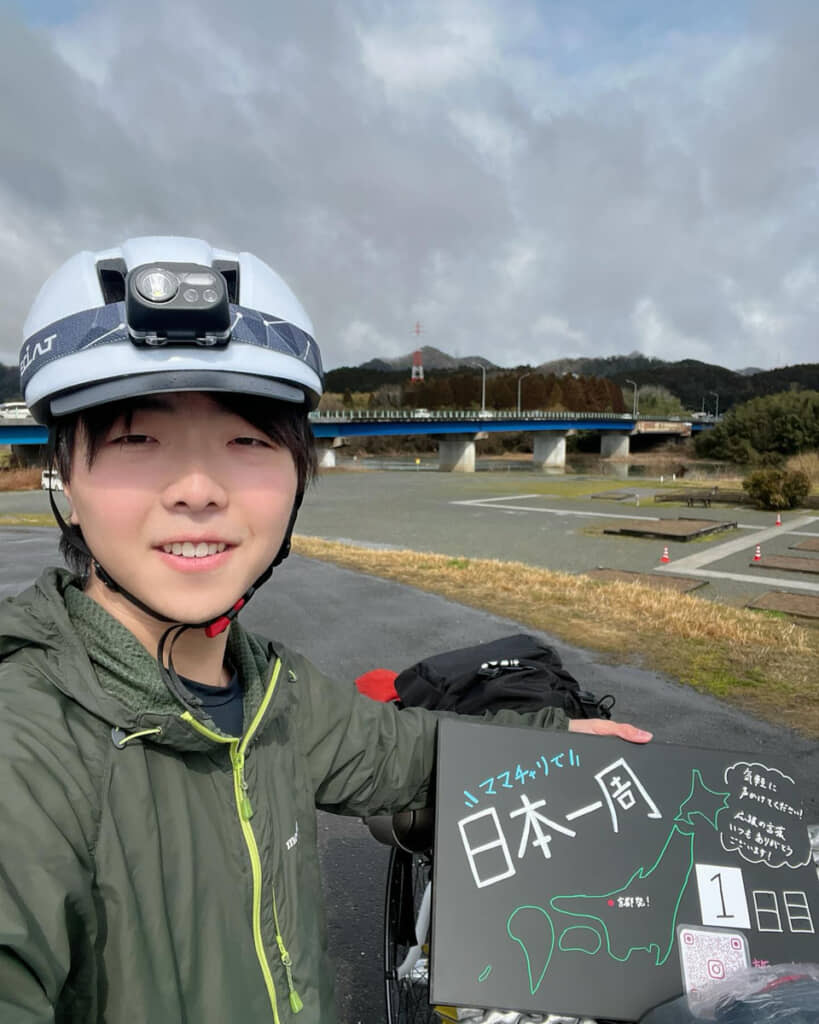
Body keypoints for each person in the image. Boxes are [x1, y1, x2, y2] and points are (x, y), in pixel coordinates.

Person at [0, 236, 651, 1023]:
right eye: (137, 440)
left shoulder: (274, 690)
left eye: (247, 441)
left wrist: (562, 738)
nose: (198, 489)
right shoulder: (25, 735)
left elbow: (408, 755)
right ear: (63, 476)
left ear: (297, 476)